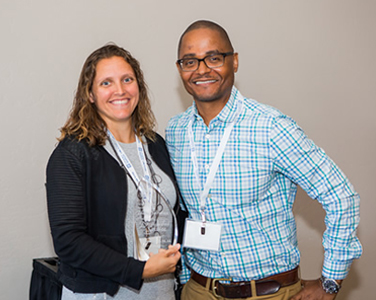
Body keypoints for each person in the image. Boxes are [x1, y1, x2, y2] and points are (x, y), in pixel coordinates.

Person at [165, 20, 362, 300]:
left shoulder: (270, 127)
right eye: (190, 61)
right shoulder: (176, 132)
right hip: (198, 290)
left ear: (234, 62)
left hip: (266, 293)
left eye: (213, 58)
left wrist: (331, 281)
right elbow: (184, 212)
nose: (201, 70)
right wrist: (186, 281)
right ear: (179, 69)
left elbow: (342, 196)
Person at [46, 44, 183, 300]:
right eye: (106, 83)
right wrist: (137, 269)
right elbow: (68, 241)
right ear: (90, 94)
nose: (120, 90)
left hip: (160, 291)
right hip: (101, 294)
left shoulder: (155, 144)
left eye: (127, 80)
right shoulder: (73, 153)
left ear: (138, 86)